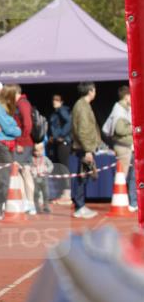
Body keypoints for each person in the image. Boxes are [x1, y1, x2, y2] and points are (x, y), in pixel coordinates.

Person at [0, 84, 22, 221]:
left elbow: (10, 127)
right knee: (3, 180)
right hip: (1, 146)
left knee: (4, 180)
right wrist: (15, 130)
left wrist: (13, 129)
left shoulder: (5, 109)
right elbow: (10, 129)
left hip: (7, 146)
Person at [104, 86, 138, 212]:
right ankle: (121, 203)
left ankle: (132, 202)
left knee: (132, 176)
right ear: (126, 96)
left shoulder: (126, 109)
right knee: (122, 176)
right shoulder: (119, 110)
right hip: (123, 147)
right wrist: (132, 128)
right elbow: (119, 129)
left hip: (129, 146)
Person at [70, 82, 101, 220]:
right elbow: (83, 130)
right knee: (82, 176)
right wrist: (88, 150)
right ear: (90, 91)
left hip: (85, 146)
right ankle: (79, 206)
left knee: (84, 176)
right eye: (94, 90)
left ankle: (80, 205)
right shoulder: (82, 106)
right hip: (84, 148)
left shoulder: (83, 105)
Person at [14, 85, 35, 215]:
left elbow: (28, 124)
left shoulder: (23, 103)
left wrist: (21, 141)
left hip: (24, 144)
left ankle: (31, 203)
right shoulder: (18, 103)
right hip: (20, 143)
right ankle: (25, 202)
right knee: (20, 172)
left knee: (26, 172)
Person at [47, 93, 72, 204]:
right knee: (59, 168)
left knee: (63, 167)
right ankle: (62, 193)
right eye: (53, 99)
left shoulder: (62, 110)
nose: (54, 102)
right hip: (57, 143)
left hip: (64, 143)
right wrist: (53, 137)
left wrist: (61, 135)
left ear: (61, 102)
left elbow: (69, 122)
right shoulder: (54, 113)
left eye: (57, 100)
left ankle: (67, 194)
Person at [31, 142, 53, 214]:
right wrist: (32, 171)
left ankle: (46, 206)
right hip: (35, 179)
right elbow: (29, 167)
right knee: (36, 194)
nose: (38, 153)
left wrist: (47, 170)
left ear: (43, 150)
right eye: (36, 151)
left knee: (46, 193)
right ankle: (37, 208)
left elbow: (51, 166)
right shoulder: (32, 159)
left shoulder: (45, 159)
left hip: (44, 179)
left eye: (40, 151)